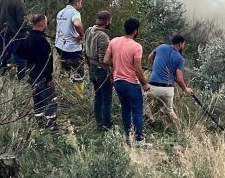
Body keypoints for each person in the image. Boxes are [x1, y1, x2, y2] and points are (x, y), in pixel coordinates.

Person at [104, 17, 150, 145]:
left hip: (118, 82)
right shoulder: (137, 47)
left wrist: (117, 62)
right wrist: (145, 84)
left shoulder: (114, 41)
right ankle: (139, 139)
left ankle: (128, 135)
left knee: (125, 108)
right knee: (137, 110)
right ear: (135, 31)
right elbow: (137, 69)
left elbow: (106, 60)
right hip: (131, 83)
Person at [16, 13, 57, 128]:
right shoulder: (41, 40)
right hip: (43, 76)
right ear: (42, 24)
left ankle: (40, 122)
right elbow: (44, 61)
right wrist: (49, 78)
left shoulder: (27, 37)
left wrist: (29, 61)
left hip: (32, 75)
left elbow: (18, 52)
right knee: (50, 100)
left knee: (38, 100)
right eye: (46, 22)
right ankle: (51, 125)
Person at [147, 35, 194, 126]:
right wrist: (185, 89)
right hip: (167, 89)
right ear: (180, 44)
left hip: (153, 86)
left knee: (144, 104)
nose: (183, 46)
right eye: (183, 44)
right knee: (170, 110)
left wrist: (157, 67)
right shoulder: (180, 58)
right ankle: (180, 127)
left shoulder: (161, 47)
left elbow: (150, 58)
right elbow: (179, 78)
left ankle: (151, 120)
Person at [83, 9, 113, 130]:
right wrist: (110, 72)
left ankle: (98, 122)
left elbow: (84, 49)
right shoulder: (103, 36)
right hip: (101, 70)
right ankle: (106, 124)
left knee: (97, 96)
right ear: (107, 21)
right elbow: (103, 58)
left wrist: (89, 64)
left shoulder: (89, 30)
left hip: (92, 67)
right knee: (106, 98)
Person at [0, 0, 31, 70]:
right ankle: (21, 77)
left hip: (0, 30)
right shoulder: (18, 1)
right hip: (13, 34)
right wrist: (31, 28)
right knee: (20, 57)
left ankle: (1, 73)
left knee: (4, 54)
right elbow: (22, 21)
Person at [55, 0, 86, 82]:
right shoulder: (75, 13)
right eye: (80, 3)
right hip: (72, 48)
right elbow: (77, 23)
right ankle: (78, 93)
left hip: (60, 45)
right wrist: (81, 35)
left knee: (64, 69)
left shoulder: (61, 12)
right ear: (76, 3)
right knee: (78, 72)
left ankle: (64, 87)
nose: (81, 5)